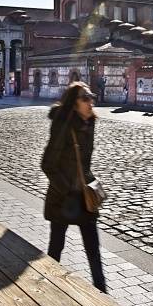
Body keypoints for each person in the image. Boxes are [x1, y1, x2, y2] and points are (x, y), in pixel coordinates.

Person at [40, 82, 106, 293]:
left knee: (93, 250)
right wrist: (66, 190)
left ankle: (102, 292)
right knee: (56, 247)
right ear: (74, 103)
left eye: (91, 97)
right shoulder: (64, 125)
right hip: (63, 199)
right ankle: (49, 288)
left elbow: (83, 162)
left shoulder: (90, 123)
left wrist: (89, 180)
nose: (90, 102)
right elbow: (47, 164)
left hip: (84, 198)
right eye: (85, 98)